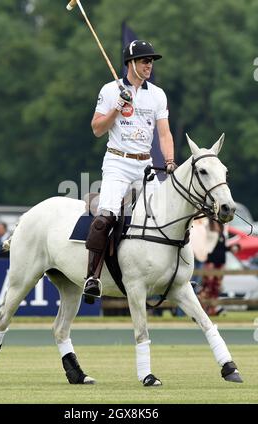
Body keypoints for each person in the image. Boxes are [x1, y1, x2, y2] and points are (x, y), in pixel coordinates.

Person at [83, 40, 177, 299]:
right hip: (118, 162)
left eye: (151, 61)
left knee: (167, 215)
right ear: (131, 64)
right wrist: (117, 108)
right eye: (145, 61)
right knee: (105, 217)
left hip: (145, 164)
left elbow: (164, 133)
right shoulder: (111, 90)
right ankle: (92, 277)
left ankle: (176, 275)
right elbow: (97, 129)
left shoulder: (157, 94)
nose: (150, 65)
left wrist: (169, 160)